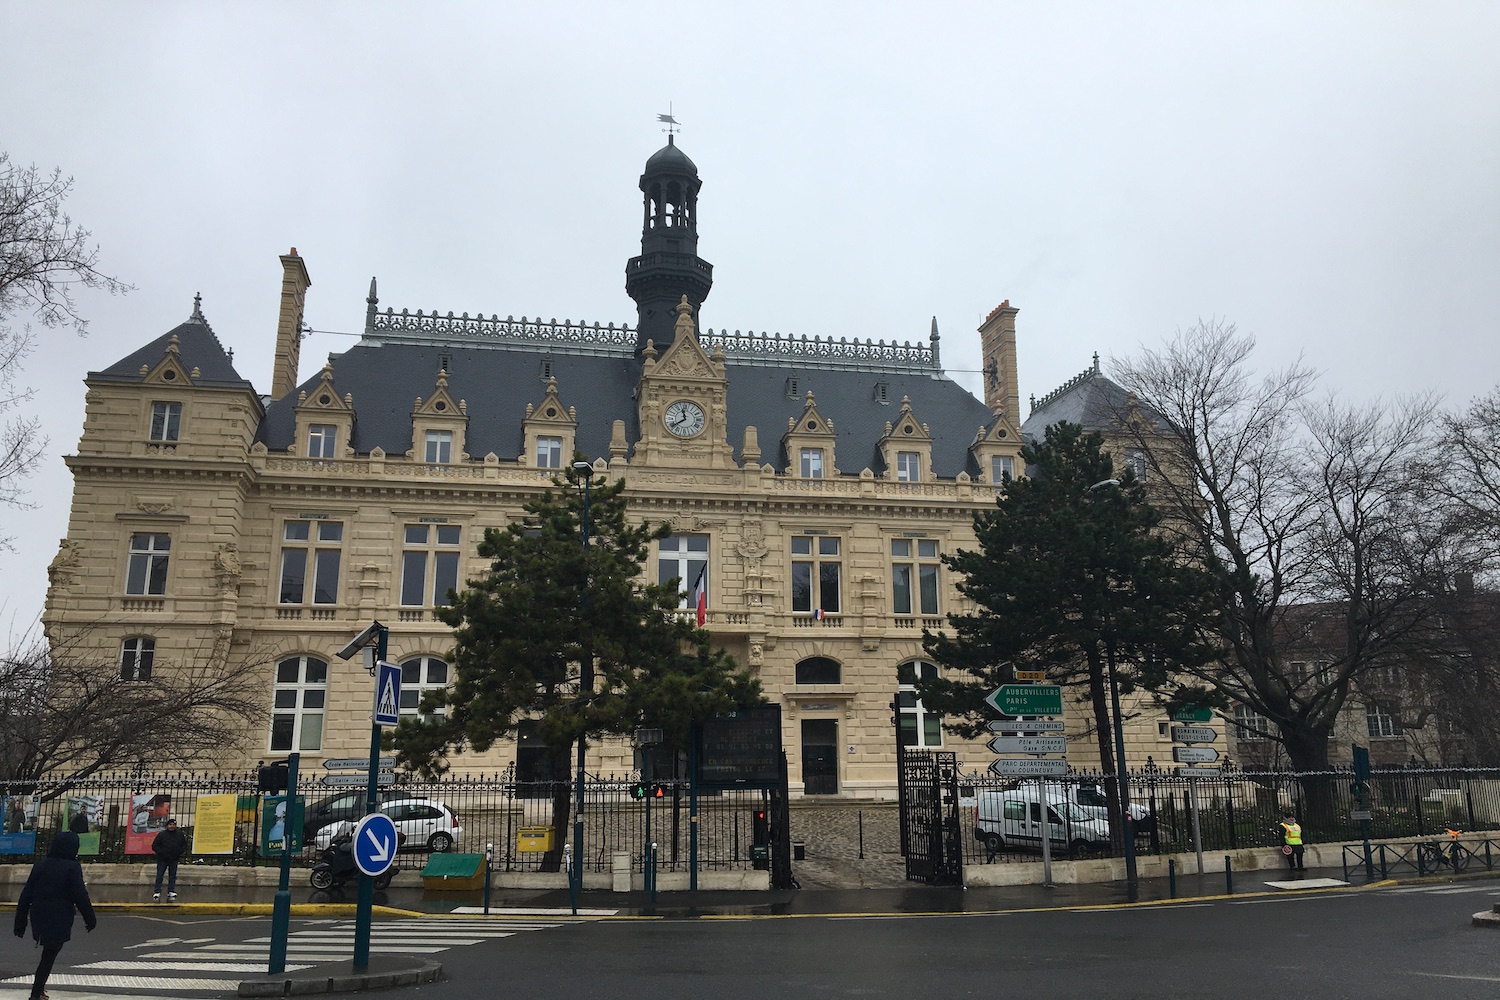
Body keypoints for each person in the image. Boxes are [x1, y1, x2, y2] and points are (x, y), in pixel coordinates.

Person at [13, 830, 97, 1000]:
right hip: (59, 917)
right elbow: (80, 894)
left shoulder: (41, 865)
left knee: (48, 953)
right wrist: (90, 918)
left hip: (38, 915)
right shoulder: (72, 867)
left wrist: (20, 923)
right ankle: (36, 994)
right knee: (49, 955)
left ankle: (39, 990)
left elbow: (26, 894)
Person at [152, 818, 188, 900]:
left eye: (173, 824)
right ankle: (157, 891)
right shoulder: (162, 834)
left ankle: (171, 890)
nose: (172, 826)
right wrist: (161, 853)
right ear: (167, 825)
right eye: (170, 824)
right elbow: (155, 846)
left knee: (172, 875)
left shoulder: (179, 834)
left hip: (174, 858)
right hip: (163, 858)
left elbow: (183, 845)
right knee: (160, 875)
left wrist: (179, 852)